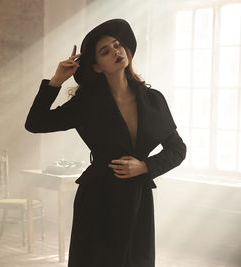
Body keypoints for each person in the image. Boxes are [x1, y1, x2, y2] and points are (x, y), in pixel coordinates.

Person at [25, 18, 186, 267]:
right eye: (105, 51)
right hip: (98, 198)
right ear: (97, 67)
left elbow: (178, 149)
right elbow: (35, 123)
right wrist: (56, 80)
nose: (116, 52)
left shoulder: (153, 99)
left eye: (117, 45)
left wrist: (145, 166)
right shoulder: (86, 104)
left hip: (138, 198)